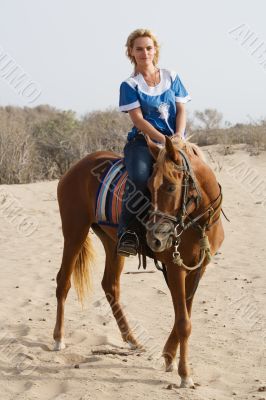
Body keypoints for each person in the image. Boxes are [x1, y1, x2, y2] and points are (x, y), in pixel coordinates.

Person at [117, 28, 191, 256]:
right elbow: (139, 120)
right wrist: (163, 140)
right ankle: (127, 232)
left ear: (155, 50)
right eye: (139, 48)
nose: (144, 52)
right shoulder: (129, 85)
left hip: (175, 141)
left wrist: (178, 135)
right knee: (140, 179)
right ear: (131, 52)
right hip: (144, 143)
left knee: (198, 175)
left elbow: (181, 109)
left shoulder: (172, 76)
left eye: (148, 48)